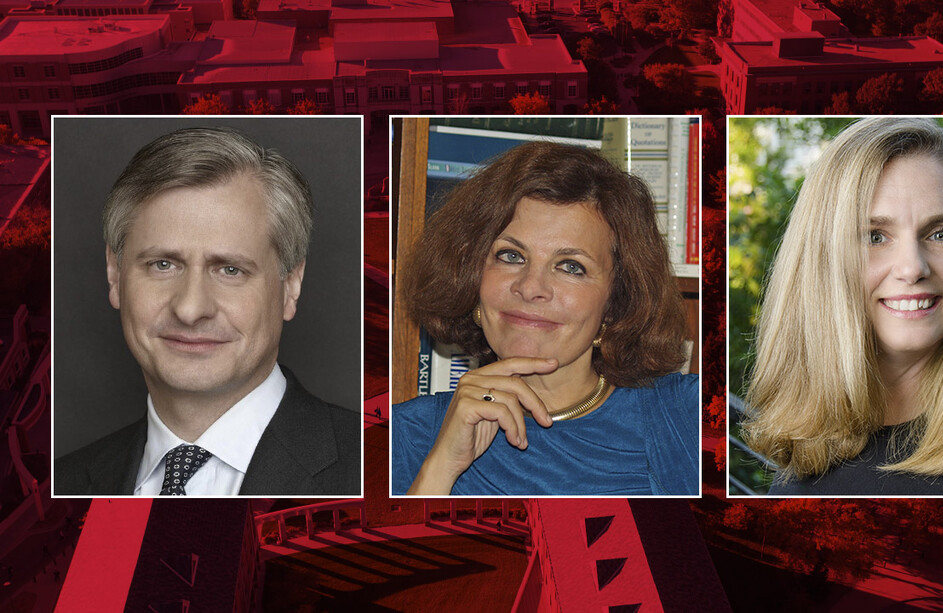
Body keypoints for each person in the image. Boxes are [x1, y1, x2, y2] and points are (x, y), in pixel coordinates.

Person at [54, 127, 361, 496]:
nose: (190, 309)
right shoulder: (61, 484)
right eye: (162, 265)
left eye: (230, 270)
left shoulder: (371, 466)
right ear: (115, 273)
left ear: (291, 284)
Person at [742, 117, 943, 496]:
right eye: (875, 236)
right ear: (822, 262)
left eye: (941, 233)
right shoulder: (802, 469)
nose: (913, 267)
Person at [391, 140, 699, 496]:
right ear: (471, 276)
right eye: (510, 256)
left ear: (616, 302)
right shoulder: (405, 434)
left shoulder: (689, 418)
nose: (531, 287)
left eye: (571, 267)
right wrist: (441, 467)